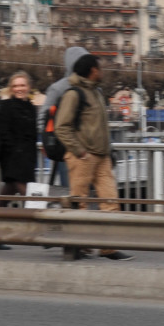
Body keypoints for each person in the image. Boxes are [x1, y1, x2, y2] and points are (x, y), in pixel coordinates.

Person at [54, 54, 133, 261]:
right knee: (79, 203)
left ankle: (108, 248)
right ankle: (80, 246)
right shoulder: (74, 94)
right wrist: (80, 151)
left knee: (111, 202)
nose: (102, 71)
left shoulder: (96, 92)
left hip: (102, 156)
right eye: (99, 68)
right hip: (83, 157)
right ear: (92, 70)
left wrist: (108, 150)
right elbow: (61, 127)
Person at [41, 46, 92, 186]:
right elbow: (44, 116)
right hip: (66, 148)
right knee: (71, 189)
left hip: (91, 148)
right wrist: (46, 141)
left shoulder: (94, 87)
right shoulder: (57, 88)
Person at [0, 70, 39, 197]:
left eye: (22, 85)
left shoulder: (31, 108)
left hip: (27, 157)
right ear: (11, 88)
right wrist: (14, 149)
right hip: (12, 157)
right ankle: (34, 213)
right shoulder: (6, 106)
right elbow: (3, 131)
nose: (19, 89)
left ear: (29, 87)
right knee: (25, 191)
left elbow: (33, 134)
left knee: (10, 189)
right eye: (15, 86)